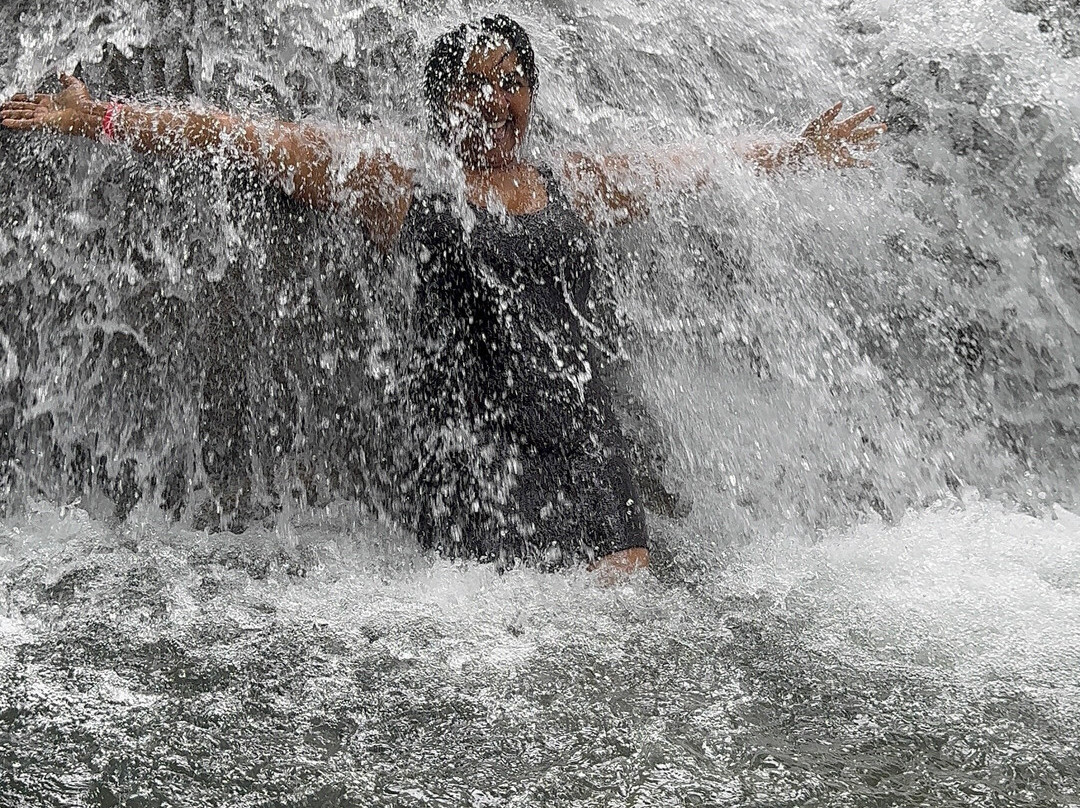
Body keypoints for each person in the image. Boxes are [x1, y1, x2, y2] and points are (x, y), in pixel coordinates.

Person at [0, 15, 885, 575]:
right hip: (479, 458)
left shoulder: (573, 182)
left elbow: (690, 168)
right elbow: (247, 137)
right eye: (476, 83)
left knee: (629, 642)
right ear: (439, 100)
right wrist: (99, 117)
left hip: (588, 452)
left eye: (513, 81)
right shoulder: (402, 187)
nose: (497, 101)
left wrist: (792, 151)